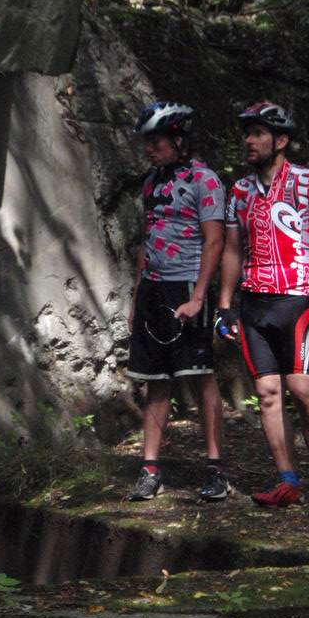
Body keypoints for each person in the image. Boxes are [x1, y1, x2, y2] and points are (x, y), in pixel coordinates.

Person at [215, 101, 309, 508]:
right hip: (254, 303)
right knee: (267, 393)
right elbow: (232, 249)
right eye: (246, 134)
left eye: (258, 133)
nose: (249, 141)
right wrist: (224, 305)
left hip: (298, 298)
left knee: (302, 388)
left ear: (281, 140)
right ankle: (287, 481)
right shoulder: (239, 191)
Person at [126, 101, 230, 502]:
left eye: (157, 141)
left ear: (179, 140)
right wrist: (136, 296)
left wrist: (200, 296)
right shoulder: (151, 182)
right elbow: (146, 239)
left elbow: (215, 241)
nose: (150, 149)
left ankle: (216, 469)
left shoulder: (205, 180)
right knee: (156, 380)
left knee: (201, 375)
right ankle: (150, 469)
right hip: (152, 289)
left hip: (187, 285)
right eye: (147, 142)